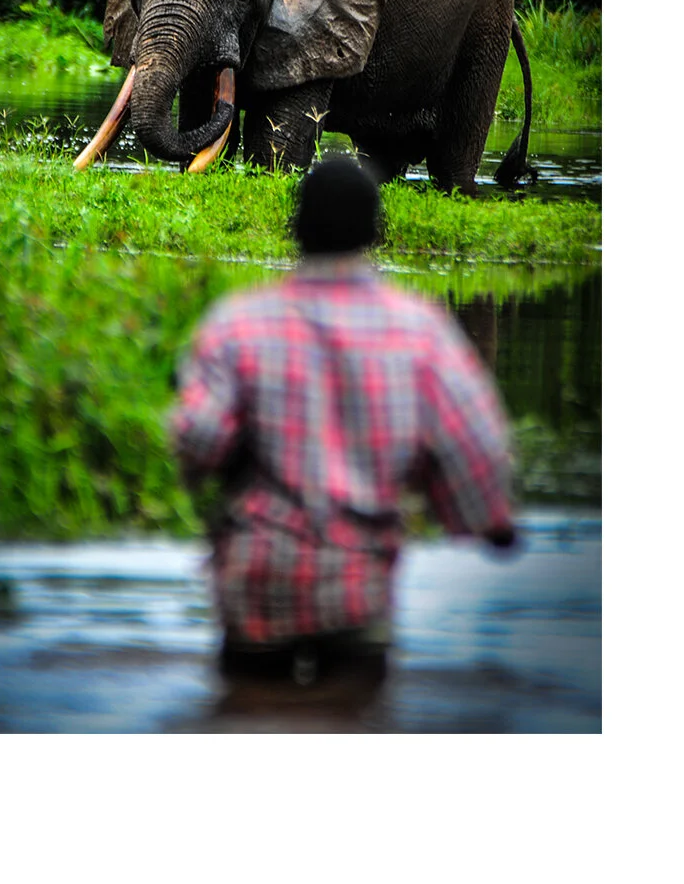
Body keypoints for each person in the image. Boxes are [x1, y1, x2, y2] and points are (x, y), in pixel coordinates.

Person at [169, 156, 517, 693]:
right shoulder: (420, 330)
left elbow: (196, 439)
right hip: (359, 586)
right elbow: (475, 447)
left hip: (257, 579)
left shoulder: (239, 321)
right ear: (375, 232)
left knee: (246, 715)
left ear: (296, 229)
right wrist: (487, 521)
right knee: (354, 720)